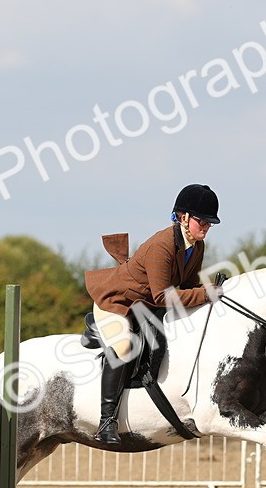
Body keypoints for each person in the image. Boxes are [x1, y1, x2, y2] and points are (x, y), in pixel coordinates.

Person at [83, 183, 221, 445]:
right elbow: (163, 296)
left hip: (145, 306)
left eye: (209, 223)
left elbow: (189, 287)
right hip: (116, 302)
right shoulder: (162, 244)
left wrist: (210, 294)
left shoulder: (196, 246)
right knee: (124, 347)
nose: (206, 227)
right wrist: (205, 294)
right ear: (183, 217)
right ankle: (106, 422)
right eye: (202, 221)